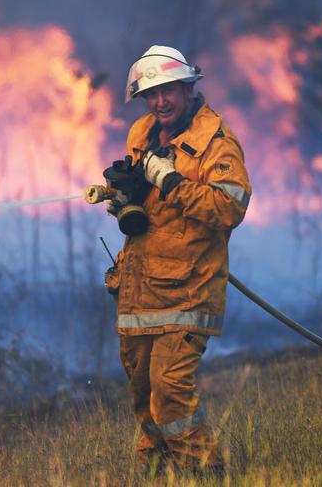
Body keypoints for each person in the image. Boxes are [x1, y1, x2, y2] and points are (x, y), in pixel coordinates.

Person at [106, 45, 251, 476]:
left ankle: (208, 475)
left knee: (170, 391)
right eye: (150, 95)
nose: (160, 102)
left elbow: (229, 208)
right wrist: (123, 197)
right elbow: (149, 206)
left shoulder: (217, 144)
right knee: (143, 394)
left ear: (189, 88)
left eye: (168, 90)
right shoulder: (141, 134)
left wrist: (171, 181)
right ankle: (157, 474)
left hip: (188, 290)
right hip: (140, 288)